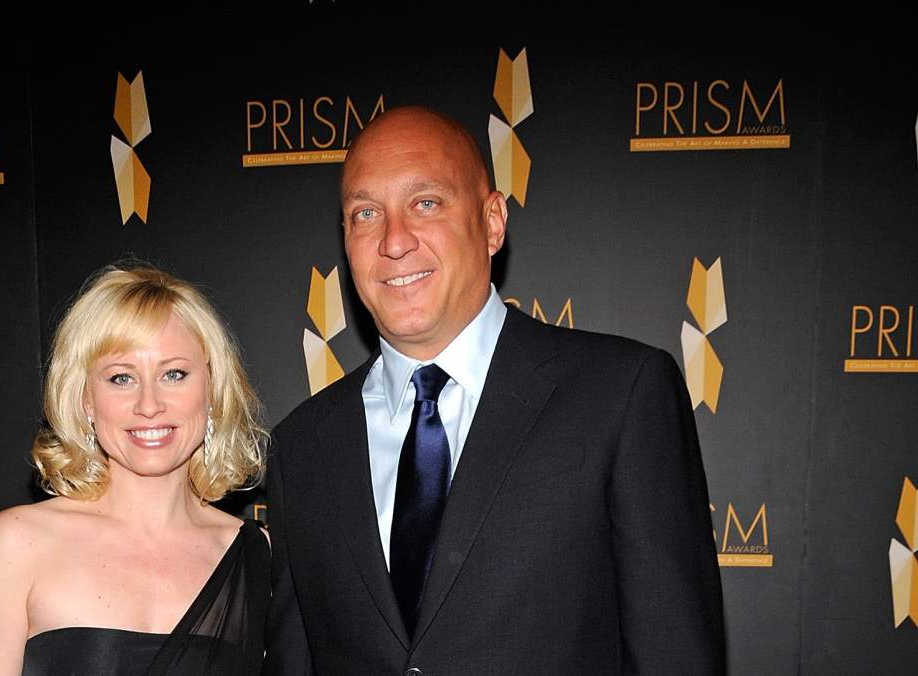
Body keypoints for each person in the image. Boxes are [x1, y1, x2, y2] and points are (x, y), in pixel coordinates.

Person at [264, 107, 726, 674]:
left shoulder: (621, 396)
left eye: (425, 203)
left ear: (492, 222)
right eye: (366, 213)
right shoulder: (300, 448)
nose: (394, 241)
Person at [0, 265, 270, 676]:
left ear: (211, 389)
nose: (149, 404)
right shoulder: (20, 544)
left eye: (173, 374)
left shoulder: (257, 556)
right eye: (121, 378)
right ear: (86, 399)